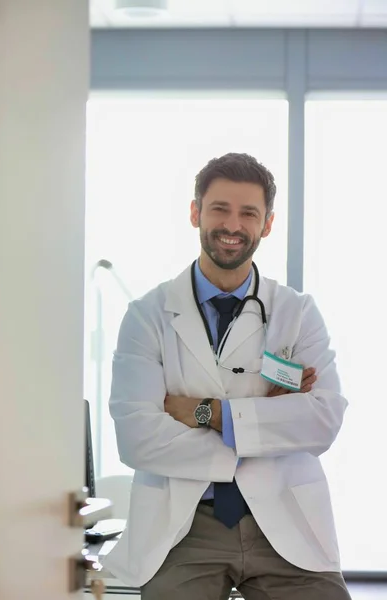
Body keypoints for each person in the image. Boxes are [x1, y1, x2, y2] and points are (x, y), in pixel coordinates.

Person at [103, 153, 351, 600]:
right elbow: (137, 437)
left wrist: (203, 412)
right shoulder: (146, 317)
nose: (232, 225)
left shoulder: (298, 313)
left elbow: (323, 421)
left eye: (248, 213)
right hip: (184, 528)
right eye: (220, 209)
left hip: (285, 522)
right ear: (196, 212)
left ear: (267, 224)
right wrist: (265, 422)